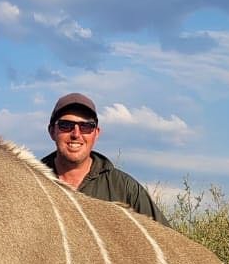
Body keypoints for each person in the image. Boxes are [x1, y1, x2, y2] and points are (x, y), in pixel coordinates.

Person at [40, 93, 168, 226]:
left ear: (96, 133)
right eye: (66, 125)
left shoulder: (123, 189)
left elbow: (168, 240)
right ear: (52, 131)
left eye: (86, 126)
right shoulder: (33, 181)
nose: (76, 134)